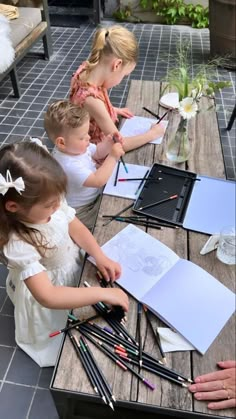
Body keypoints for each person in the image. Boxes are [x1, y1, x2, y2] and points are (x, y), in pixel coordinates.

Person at [0, 141, 129, 367]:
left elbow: (75, 225)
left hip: (70, 266)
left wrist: (99, 255)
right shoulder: (18, 244)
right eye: (50, 205)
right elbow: (48, 296)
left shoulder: (50, 200)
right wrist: (102, 294)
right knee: (65, 337)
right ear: (13, 207)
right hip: (49, 291)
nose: (57, 206)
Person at [69, 25, 165, 151]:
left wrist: (112, 109)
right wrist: (152, 134)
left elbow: (83, 109)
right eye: (124, 75)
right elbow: (119, 144)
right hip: (94, 154)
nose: (121, 81)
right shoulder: (92, 100)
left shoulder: (85, 70)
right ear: (117, 65)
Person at [44, 100, 125, 231]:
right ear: (61, 143)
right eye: (82, 137)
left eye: (87, 133)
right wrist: (113, 156)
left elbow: (97, 152)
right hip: (82, 210)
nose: (88, 138)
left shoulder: (76, 148)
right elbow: (98, 180)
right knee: (110, 222)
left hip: (94, 197)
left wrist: (109, 143)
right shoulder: (67, 164)